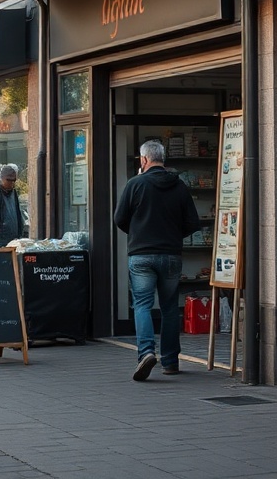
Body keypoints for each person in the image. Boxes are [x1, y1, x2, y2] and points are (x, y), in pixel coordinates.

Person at [113, 139, 200, 381]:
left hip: (141, 254)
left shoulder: (135, 184)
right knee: (170, 308)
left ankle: (146, 353)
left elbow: (119, 218)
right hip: (171, 254)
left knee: (142, 304)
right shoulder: (179, 185)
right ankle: (170, 362)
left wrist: (138, 232)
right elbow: (192, 222)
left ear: (144, 160)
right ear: (163, 159)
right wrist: (173, 235)